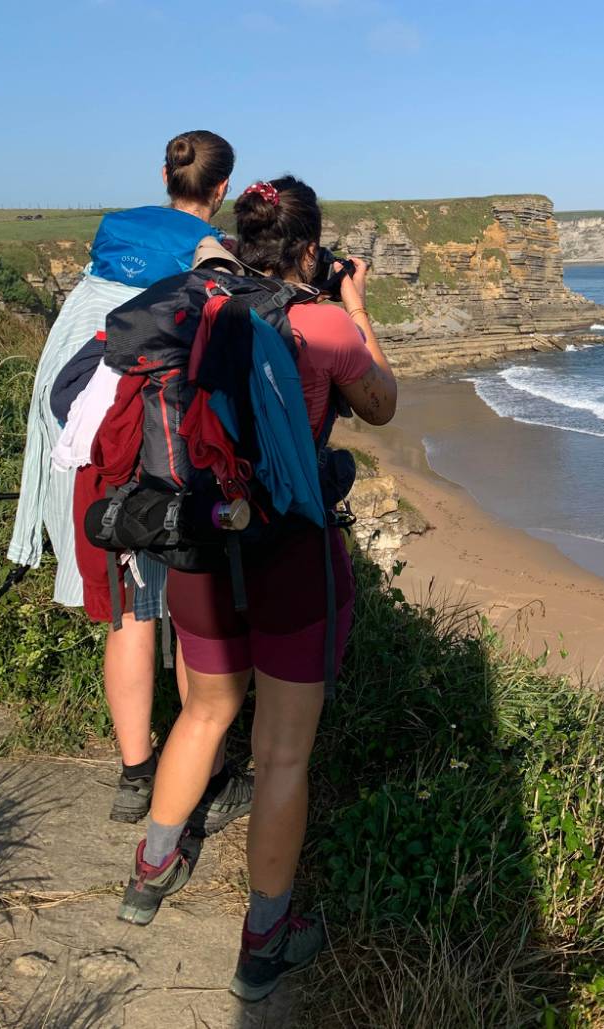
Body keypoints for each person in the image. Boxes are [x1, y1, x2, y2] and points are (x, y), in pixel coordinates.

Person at [117, 176, 397, 1003]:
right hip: (291, 557)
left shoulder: (202, 303)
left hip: (203, 543)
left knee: (205, 711)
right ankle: (265, 942)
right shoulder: (322, 326)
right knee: (281, 755)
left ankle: (150, 872)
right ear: (310, 248)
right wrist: (356, 306)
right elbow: (382, 404)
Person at [7, 130, 252, 831]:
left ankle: (135, 772)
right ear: (223, 190)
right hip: (144, 442)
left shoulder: (110, 246)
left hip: (77, 433)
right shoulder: (206, 265)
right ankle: (197, 772)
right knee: (177, 603)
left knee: (129, 607)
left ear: (165, 177)